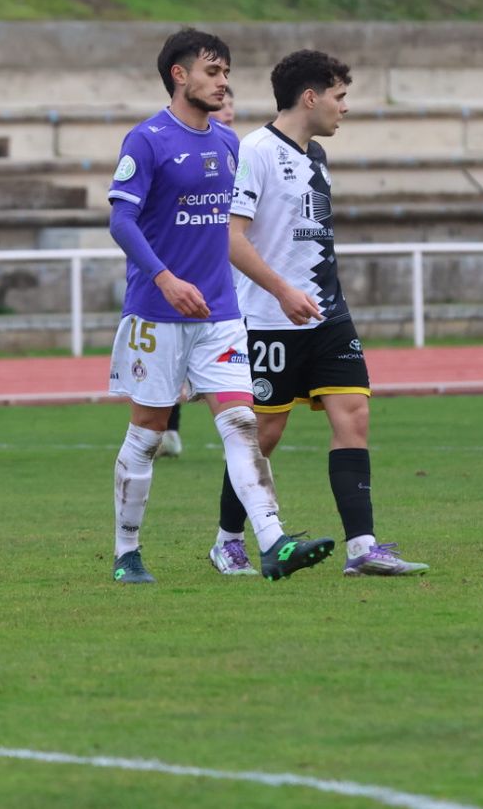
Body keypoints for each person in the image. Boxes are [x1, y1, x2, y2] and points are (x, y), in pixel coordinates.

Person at [105, 30, 333, 583]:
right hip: (157, 313)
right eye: (212, 72)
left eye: (226, 73)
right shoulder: (148, 140)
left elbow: (235, 231)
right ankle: (127, 551)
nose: (223, 82)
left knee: (241, 424)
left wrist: (278, 287)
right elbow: (121, 220)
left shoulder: (229, 144)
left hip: (221, 316)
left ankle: (273, 541)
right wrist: (164, 279)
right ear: (179, 75)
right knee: (148, 434)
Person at [204, 50, 429, 577]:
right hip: (269, 318)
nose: (344, 107)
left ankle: (362, 547)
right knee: (264, 434)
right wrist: (283, 291)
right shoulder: (255, 150)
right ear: (311, 97)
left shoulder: (317, 155)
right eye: (339, 96)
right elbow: (231, 239)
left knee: (354, 416)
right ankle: (228, 541)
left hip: (328, 315)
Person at [158, 85, 237, 459]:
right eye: (224, 104)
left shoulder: (234, 146)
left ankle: (237, 437)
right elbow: (125, 220)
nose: (228, 110)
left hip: (228, 284)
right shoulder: (160, 142)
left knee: (238, 411)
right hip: (178, 282)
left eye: (232, 104)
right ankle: (168, 429)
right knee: (170, 369)